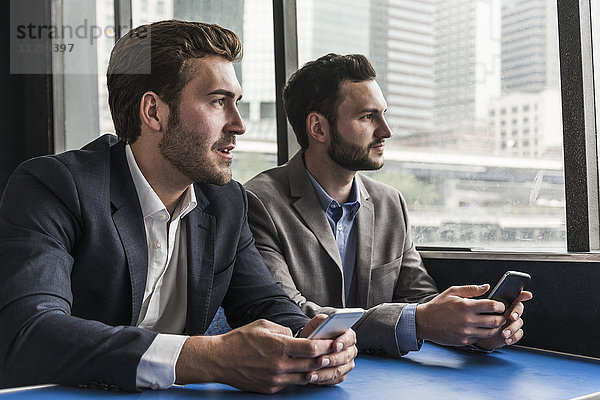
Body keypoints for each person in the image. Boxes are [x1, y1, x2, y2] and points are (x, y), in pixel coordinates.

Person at [0, 22, 357, 393]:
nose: (239, 124)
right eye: (219, 102)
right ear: (154, 111)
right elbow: (30, 332)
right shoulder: (54, 186)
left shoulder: (226, 202)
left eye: (236, 102)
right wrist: (212, 357)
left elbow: (265, 303)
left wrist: (314, 344)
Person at [245, 53, 532, 358]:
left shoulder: (389, 203)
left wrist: (474, 331)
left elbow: (421, 300)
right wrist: (420, 321)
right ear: (318, 128)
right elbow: (290, 313)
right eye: (367, 117)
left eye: (383, 114)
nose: (386, 131)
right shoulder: (258, 202)